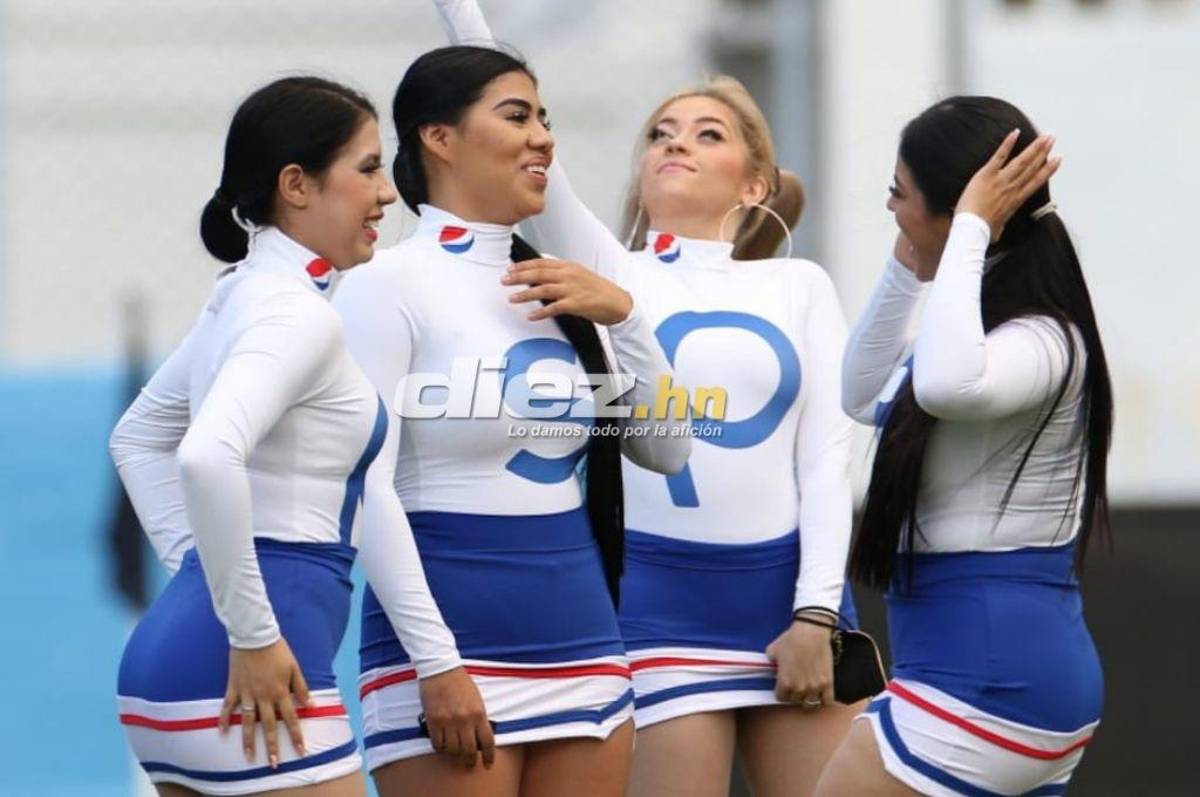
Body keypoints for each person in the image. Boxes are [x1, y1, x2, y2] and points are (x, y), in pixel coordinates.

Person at [433, 3, 861, 795]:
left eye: (707, 134)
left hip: (790, 601)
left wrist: (818, 614)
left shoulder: (800, 283)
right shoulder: (612, 268)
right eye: (662, 132)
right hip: (658, 603)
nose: (676, 144)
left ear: (755, 181)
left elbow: (828, 457)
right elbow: (494, 85)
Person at [110, 76, 484, 795]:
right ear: (296, 184)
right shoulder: (293, 313)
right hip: (246, 677)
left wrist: (202, 571)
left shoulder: (244, 292)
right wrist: (248, 630)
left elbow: (137, 437)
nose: (387, 194)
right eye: (369, 167)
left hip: (178, 669)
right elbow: (204, 452)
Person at [333, 45, 691, 797]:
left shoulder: (562, 285)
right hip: (448, 656)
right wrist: (438, 663)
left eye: (545, 119)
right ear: (439, 138)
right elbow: (368, 487)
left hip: (586, 648)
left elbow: (666, 450)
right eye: (516, 116)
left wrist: (625, 318)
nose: (543, 138)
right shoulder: (385, 284)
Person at [817, 97, 1112, 796]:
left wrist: (970, 225)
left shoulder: (1045, 340)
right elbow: (858, 392)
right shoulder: (979, 331)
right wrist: (914, 263)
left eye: (899, 191)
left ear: (955, 211)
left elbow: (948, 385)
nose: (889, 206)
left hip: (990, 683)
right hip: (989, 679)